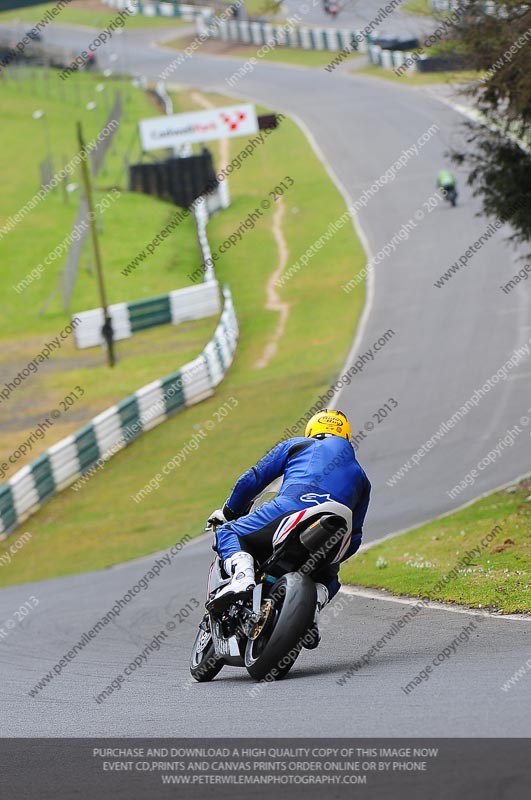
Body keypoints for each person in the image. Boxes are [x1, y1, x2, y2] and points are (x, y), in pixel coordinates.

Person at [206, 409, 371, 644]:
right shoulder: (362, 477)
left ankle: (243, 576)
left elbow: (252, 479)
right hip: (337, 528)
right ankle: (313, 610)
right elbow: (355, 538)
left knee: (228, 531)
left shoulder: (297, 445)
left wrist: (229, 512)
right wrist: (332, 561)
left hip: (292, 507)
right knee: (331, 577)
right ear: (345, 436)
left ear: (311, 430)